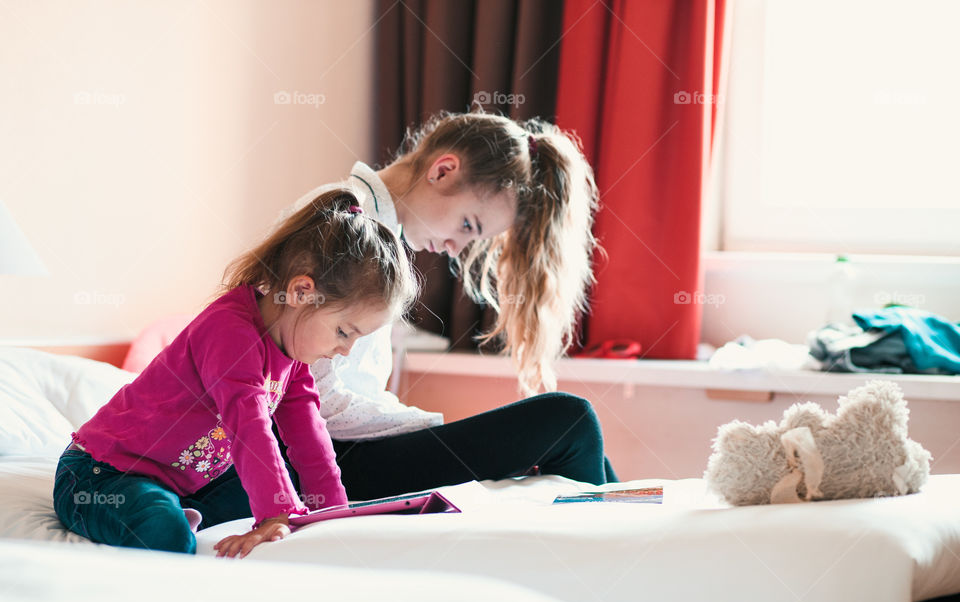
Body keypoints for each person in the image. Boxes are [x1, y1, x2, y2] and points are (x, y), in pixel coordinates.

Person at [203, 110, 619, 515]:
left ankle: (626, 517)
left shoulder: (377, 228)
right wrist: (432, 427)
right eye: (468, 226)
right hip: (324, 453)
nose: (457, 247)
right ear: (443, 171)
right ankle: (613, 543)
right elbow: (321, 401)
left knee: (577, 436)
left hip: (348, 447)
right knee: (568, 420)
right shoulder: (350, 220)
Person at [52, 188, 418, 556]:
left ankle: (183, 512)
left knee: (290, 487)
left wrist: (333, 513)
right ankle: (176, 520)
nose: (345, 350)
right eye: (344, 332)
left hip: (181, 483)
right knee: (166, 531)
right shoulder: (230, 330)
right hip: (101, 475)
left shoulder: (292, 354)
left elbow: (309, 435)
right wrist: (277, 513)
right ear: (301, 293)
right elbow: (249, 425)